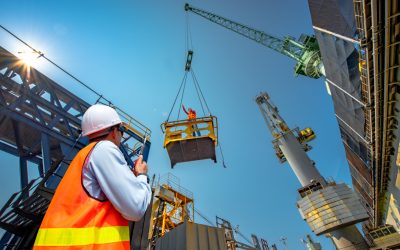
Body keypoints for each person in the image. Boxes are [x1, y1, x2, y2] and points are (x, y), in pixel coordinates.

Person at [33, 104, 152, 249]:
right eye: (121, 130)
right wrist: (141, 175)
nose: (121, 136)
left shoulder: (84, 156)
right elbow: (136, 208)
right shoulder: (105, 149)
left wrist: (128, 178)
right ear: (114, 131)